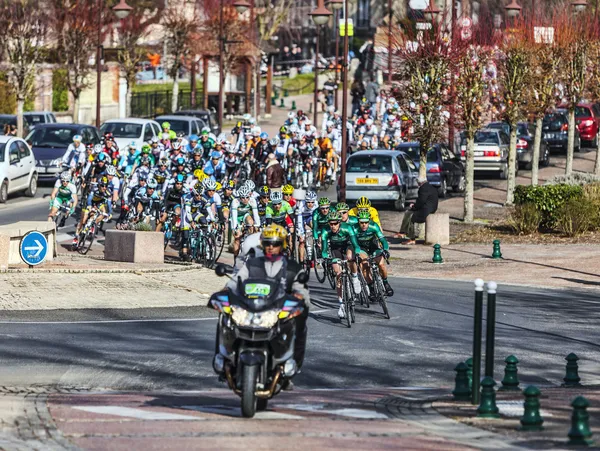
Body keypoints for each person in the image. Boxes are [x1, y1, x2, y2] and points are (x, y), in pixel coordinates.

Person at [226, 225, 309, 372]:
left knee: (299, 324)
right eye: (267, 243)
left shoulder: (293, 267)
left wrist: (299, 297)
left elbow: (302, 291)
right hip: (252, 309)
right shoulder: (252, 264)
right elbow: (237, 280)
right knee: (227, 319)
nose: (271, 247)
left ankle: (293, 363)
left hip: (279, 313)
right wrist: (227, 289)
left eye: (275, 244)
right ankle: (227, 359)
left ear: (282, 245)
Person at [397, 176, 439, 244]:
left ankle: (411, 238)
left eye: (417, 182)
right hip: (432, 209)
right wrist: (414, 206)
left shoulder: (423, 188)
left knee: (412, 217)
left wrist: (414, 207)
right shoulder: (431, 187)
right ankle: (403, 232)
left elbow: (421, 202)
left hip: (426, 210)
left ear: (420, 182)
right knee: (408, 212)